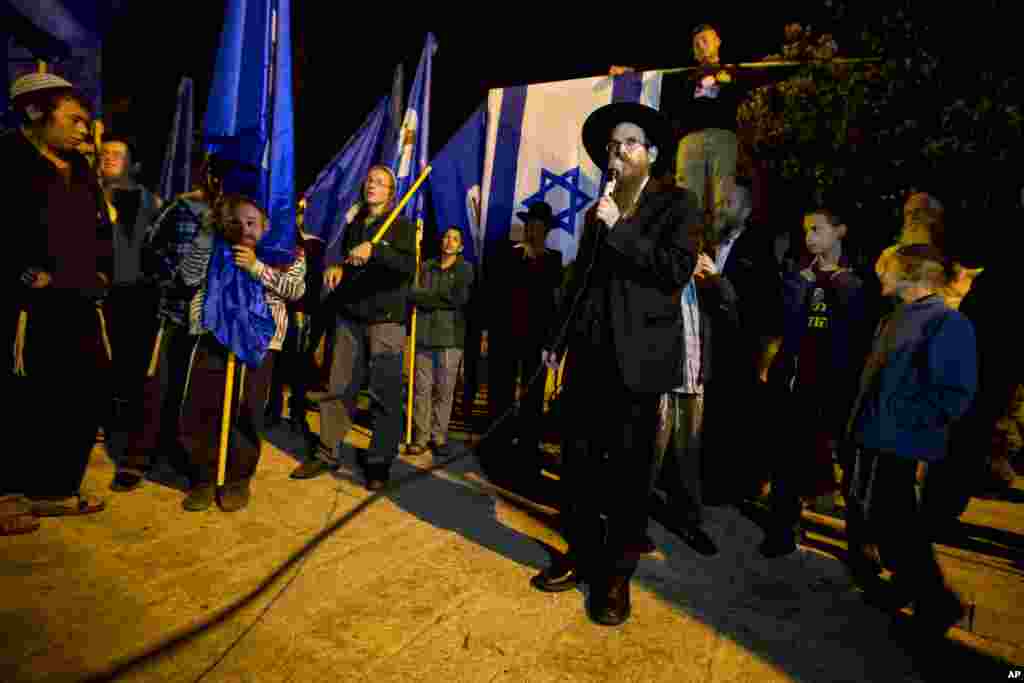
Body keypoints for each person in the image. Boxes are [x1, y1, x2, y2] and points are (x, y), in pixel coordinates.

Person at [530, 102, 700, 627]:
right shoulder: (595, 210)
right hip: (589, 358)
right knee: (578, 465)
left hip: (640, 363)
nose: (617, 151)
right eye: (612, 144)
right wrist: (557, 338)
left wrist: (622, 225)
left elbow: (674, 270)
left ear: (649, 153)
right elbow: (582, 279)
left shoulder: (678, 203)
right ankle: (582, 552)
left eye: (629, 142)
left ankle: (616, 575)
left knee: (628, 475)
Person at [844, 244, 976, 644]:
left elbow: (954, 391)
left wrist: (919, 429)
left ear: (911, 276)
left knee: (900, 524)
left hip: (905, 442)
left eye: (887, 270)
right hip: (875, 436)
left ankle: (938, 602)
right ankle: (908, 585)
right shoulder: (895, 318)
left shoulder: (945, 322)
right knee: (882, 520)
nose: (879, 277)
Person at [3, 72, 111, 518]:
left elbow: (102, 229)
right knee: (20, 400)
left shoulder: (82, 170)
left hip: (80, 302)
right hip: (24, 312)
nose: (84, 129)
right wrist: (23, 275)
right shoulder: (7, 161)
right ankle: (8, 494)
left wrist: (104, 273)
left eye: (85, 121)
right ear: (34, 112)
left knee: (81, 394)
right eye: (74, 119)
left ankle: (55, 488)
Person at [289, 165, 415, 490]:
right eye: (370, 181)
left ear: (390, 193)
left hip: (385, 320)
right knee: (338, 387)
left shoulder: (402, 226)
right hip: (350, 316)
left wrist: (378, 249)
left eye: (381, 183)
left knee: (383, 395)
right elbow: (349, 262)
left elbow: (405, 268)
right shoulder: (356, 224)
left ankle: (378, 462)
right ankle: (328, 451)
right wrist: (336, 269)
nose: (372, 185)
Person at [177, 194, 306, 511]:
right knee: (203, 405)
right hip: (215, 332)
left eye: (253, 222)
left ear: (266, 224)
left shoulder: (286, 250)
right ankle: (204, 478)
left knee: (248, 409)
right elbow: (188, 277)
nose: (246, 228)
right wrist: (206, 235)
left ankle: (237, 479)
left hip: (261, 340)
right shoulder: (217, 244)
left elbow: (295, 289)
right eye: (239, 221)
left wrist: (256, 267)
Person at [760, 205, 870, 557]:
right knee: (785, 458)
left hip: (835, 387)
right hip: (796, 382)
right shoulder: (798, 275)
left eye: (817, 229)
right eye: (806, 230)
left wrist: (830, 286)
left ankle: (860, 541)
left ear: (840, 231)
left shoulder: (853, 281)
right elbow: (787, 327)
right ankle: (780, 529)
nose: (809, 237)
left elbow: (853, 334)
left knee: (846, 465)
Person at [123, 153, 224, 482]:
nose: (218, 182)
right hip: (176, 313)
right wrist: (174, 281)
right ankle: (138, 456)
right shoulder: (182, 208)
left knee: (196, 394)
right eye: (214, 175)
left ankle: (183, 454)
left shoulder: (239, 215)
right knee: (159, 385)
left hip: (213, 322)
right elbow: (153, 248)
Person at [647, 217, 739, 557]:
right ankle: (633, 523)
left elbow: (731, 310)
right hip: (661, 378)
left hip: (694, 379)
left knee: (688, 455)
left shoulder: (705, 283)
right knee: (650, 453)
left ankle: (689, 521)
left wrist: (714, 277)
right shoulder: (662, 272)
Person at [700, 175, 784, 503]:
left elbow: (762, 304)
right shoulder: (711, 242)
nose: (722, 207)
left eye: (730, 202)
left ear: (746, 210)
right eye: (721, 201)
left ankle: (729, 487)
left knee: (732, 419)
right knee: (709, 417)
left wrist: (719, 282)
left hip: (739, 349)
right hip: (708, 344)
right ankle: (707, 479)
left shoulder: (758, 249)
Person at [98, 133, 166, 491]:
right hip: (93, 296)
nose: (108, 158)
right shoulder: (85, 195)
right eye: (104, 153)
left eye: (117, 154)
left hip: (138, 298)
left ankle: (132, 454)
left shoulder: (150, 202)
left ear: (133, 165)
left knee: (137, 376)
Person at [485, 201, 563, 458]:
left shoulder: (553, 260)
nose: (532, 229)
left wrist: (552, 344)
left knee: (532, 392)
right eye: (529, 224)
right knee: (500, 390)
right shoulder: (507, 253)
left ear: (546, 230)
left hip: (536, 338)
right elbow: (496, 292)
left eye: (537, 225)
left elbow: (553, 303)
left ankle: (528, 445)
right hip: (506, 334)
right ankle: (497, 441)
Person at [407, 227, 475, 455]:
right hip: (425, 335)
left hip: (451, 338)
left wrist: (428, 298)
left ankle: (439, 436)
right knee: (421, 389)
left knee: (445, 390)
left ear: (461, 246)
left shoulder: (465, 269)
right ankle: (420, 436)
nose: (449, 242)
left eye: (455, 239)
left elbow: (459, 298)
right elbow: (414, 293)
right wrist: (435, 297)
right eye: (446, 237)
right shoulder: (426, 266)